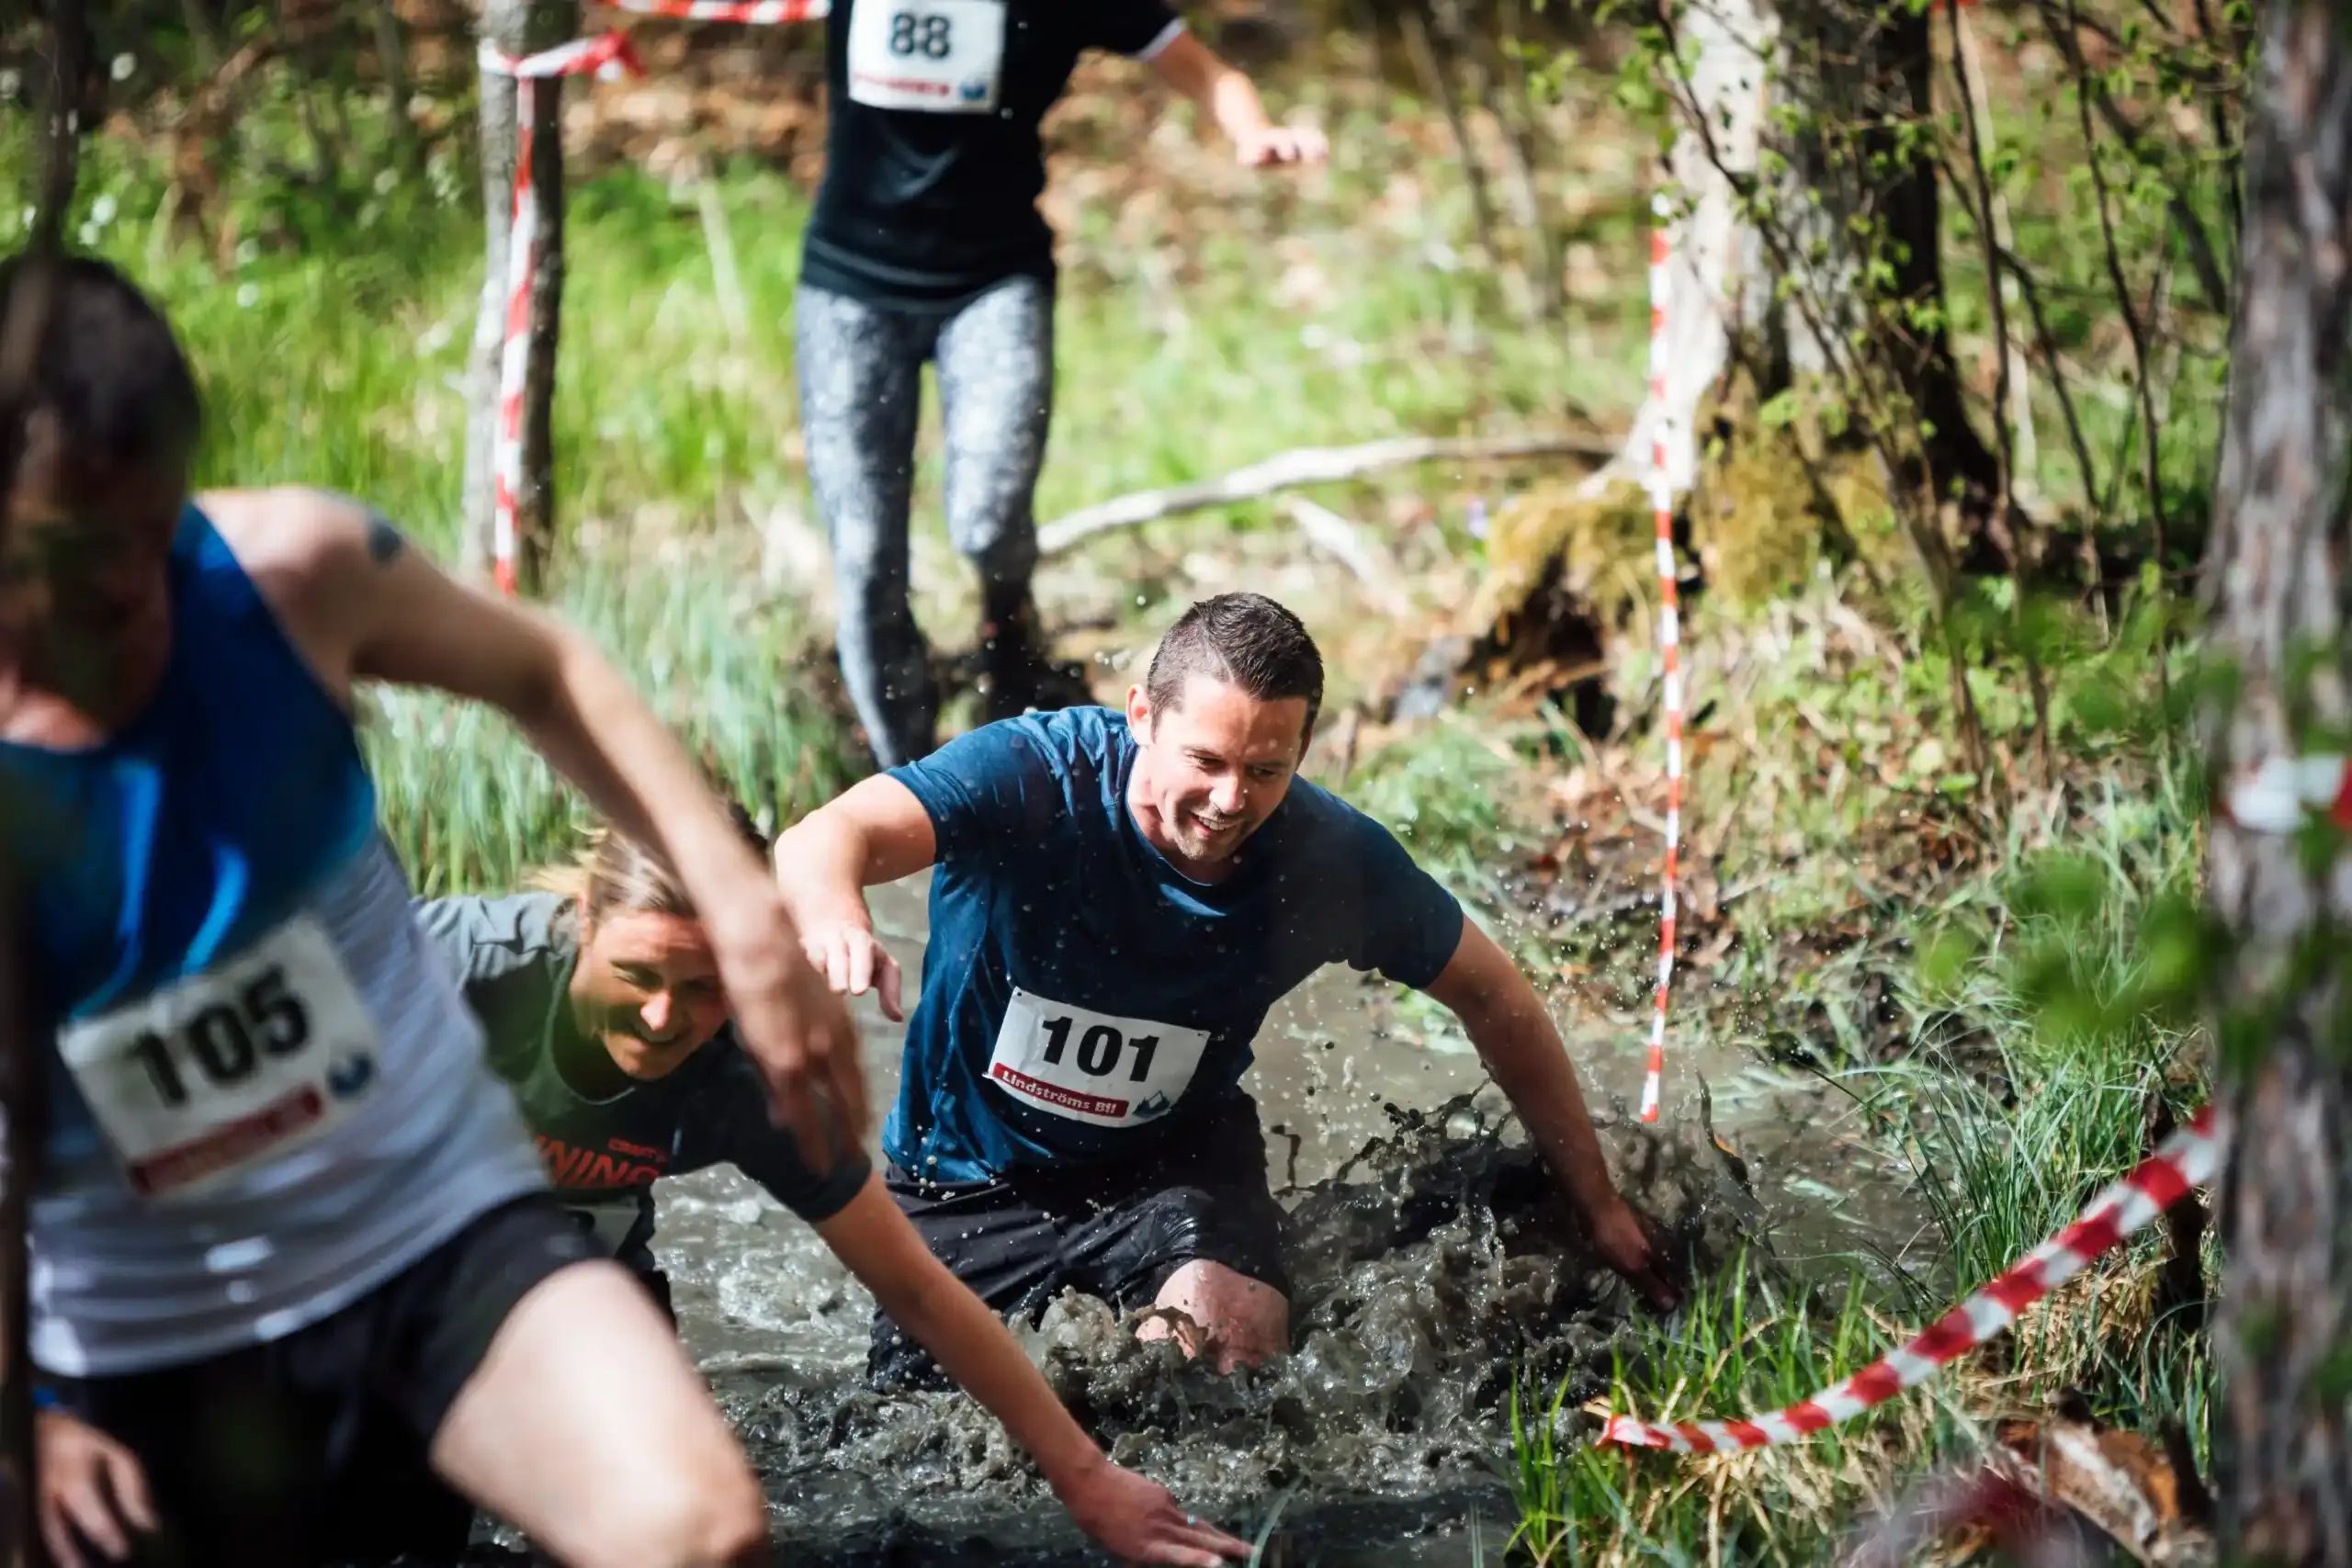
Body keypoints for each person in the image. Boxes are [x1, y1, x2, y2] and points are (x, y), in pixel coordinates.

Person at [0, 252, 869, 1568]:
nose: (124, 589)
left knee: (695, 1526)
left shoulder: (297, 572)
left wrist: (743, 909)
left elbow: (545, 663)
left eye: (149, 537)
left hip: (424, 1226)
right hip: (129, 1326)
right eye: (66, 553)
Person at [34, 812, 1254, 1568]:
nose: (666, 1021)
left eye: (707, 988)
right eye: (638, 979)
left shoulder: (750, 1077)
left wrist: (1087, 1479)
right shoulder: (436, 969)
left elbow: (920, 1287)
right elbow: (128, 1116)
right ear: (578, 926)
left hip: (574, 1298)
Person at [770, 592, 1687, 1390]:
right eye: (1204, 760)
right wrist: (836, 918)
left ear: (1301, 753)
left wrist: (1599, 1203)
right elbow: (823, 836)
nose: (1226, 801)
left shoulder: (1328, 860)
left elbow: (1496, 998)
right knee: (916, 1443)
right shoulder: (1031, 778)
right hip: (963, 1181)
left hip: (1171, 1167)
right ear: (1140, 716)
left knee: (1227, 1346)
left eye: (1264, 771)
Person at [797, 0, 1329, 770]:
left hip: (994, 282)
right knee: (864, 560)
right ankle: (907, 781)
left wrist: (1254, 131)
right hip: (849, 286)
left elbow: (1204, 69)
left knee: (987, 521)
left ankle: (1007, 622)